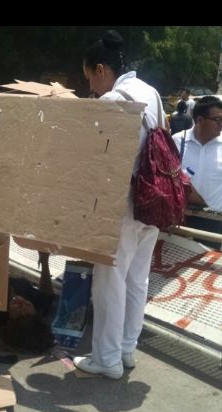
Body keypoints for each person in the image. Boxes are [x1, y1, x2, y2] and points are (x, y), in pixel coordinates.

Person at [71, 30, 162, 379]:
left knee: (109, 281)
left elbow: (95, 160)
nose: (91, 87)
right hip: (152, 201)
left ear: (100, 69)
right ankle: (126, 350)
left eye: (89, 78)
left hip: (121, 204)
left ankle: (106, 359)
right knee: (137, 279)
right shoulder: (150, 92)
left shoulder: (113, 102)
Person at [172, 96, 222, 250]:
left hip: (213, 219)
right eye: (217, 119)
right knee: (175, 265)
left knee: (205, 268)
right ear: (200, 120)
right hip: (180, 217)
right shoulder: (177, 141)